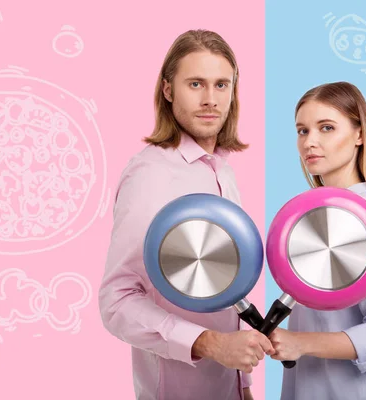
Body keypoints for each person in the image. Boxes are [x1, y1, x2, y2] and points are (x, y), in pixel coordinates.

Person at [98, 29, 274, 400]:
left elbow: (225, 286)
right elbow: (117, 300)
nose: (210, 99)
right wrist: (209, 343)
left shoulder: (221, 170)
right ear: (167, 90)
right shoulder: (151, 174)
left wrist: (243, 385)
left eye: (221, 85)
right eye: (195, 84)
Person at [268, 81, 366, 399]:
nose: (311, 142)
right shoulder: (318, 214)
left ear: (359, 135)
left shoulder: (365, 222)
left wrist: (299, 343)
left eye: (327, 128)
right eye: (303, 131)